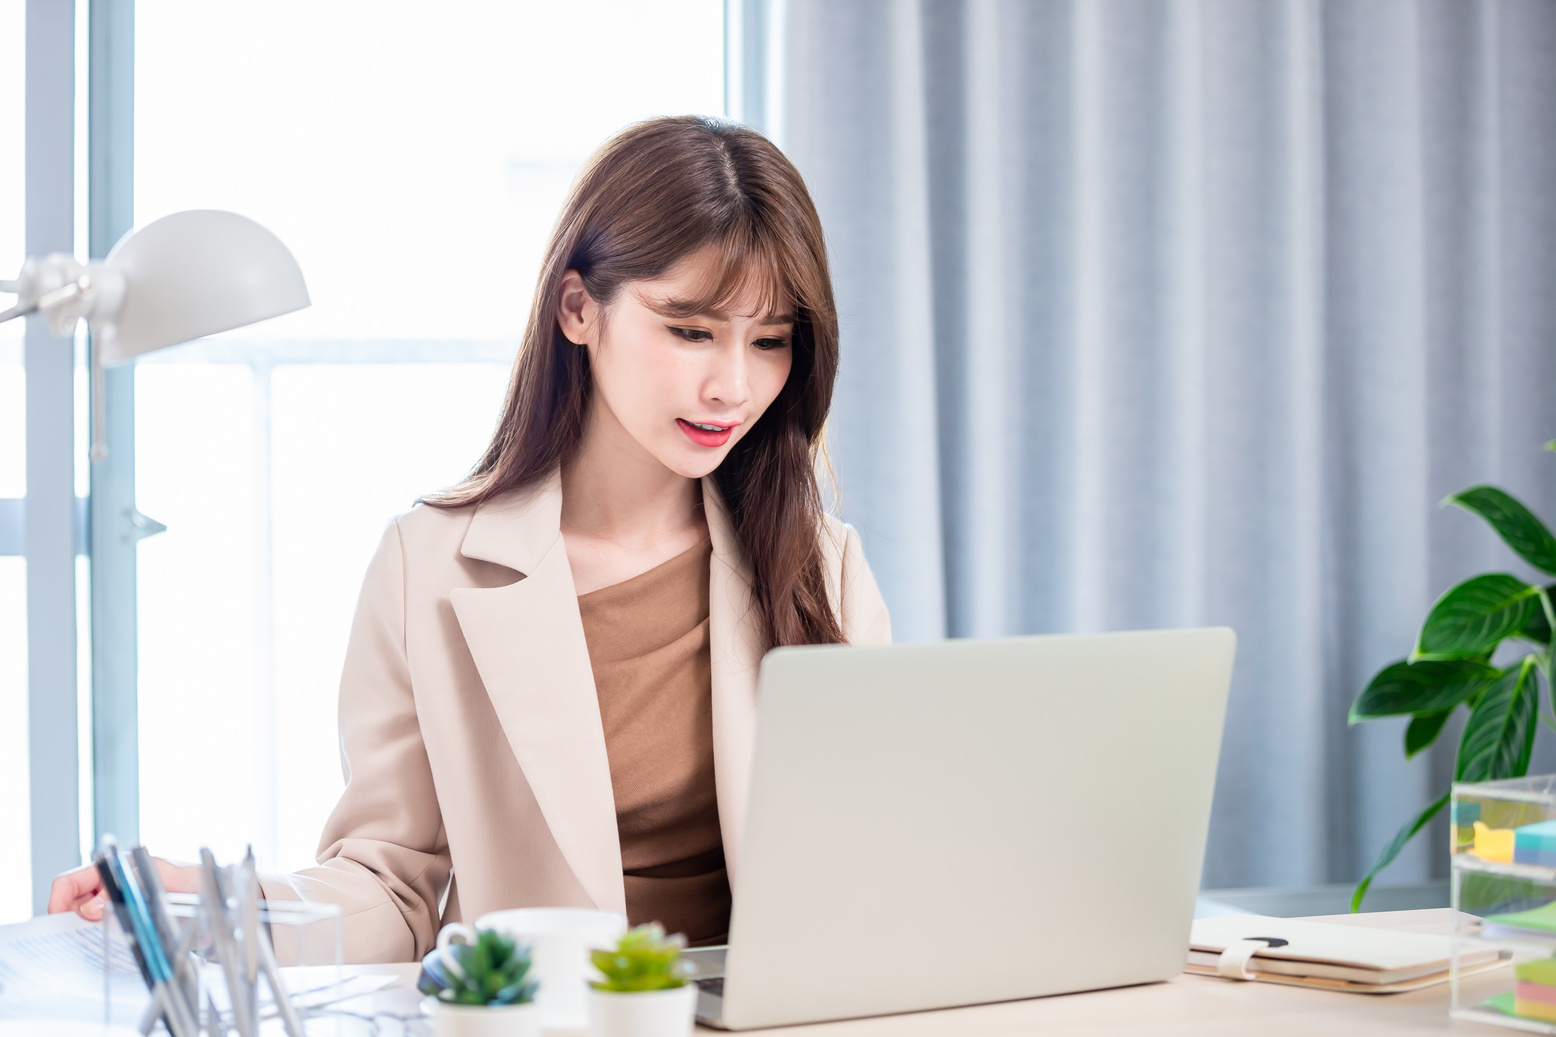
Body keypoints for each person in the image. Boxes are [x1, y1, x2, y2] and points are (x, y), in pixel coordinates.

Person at [48, 115, 891, 962]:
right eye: (691, 330)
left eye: (771, 341)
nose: (735, 385)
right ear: (577, 309)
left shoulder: (823, 568)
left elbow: (875, 871)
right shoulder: (429, 569)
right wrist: (212, 904)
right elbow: (391, 886)